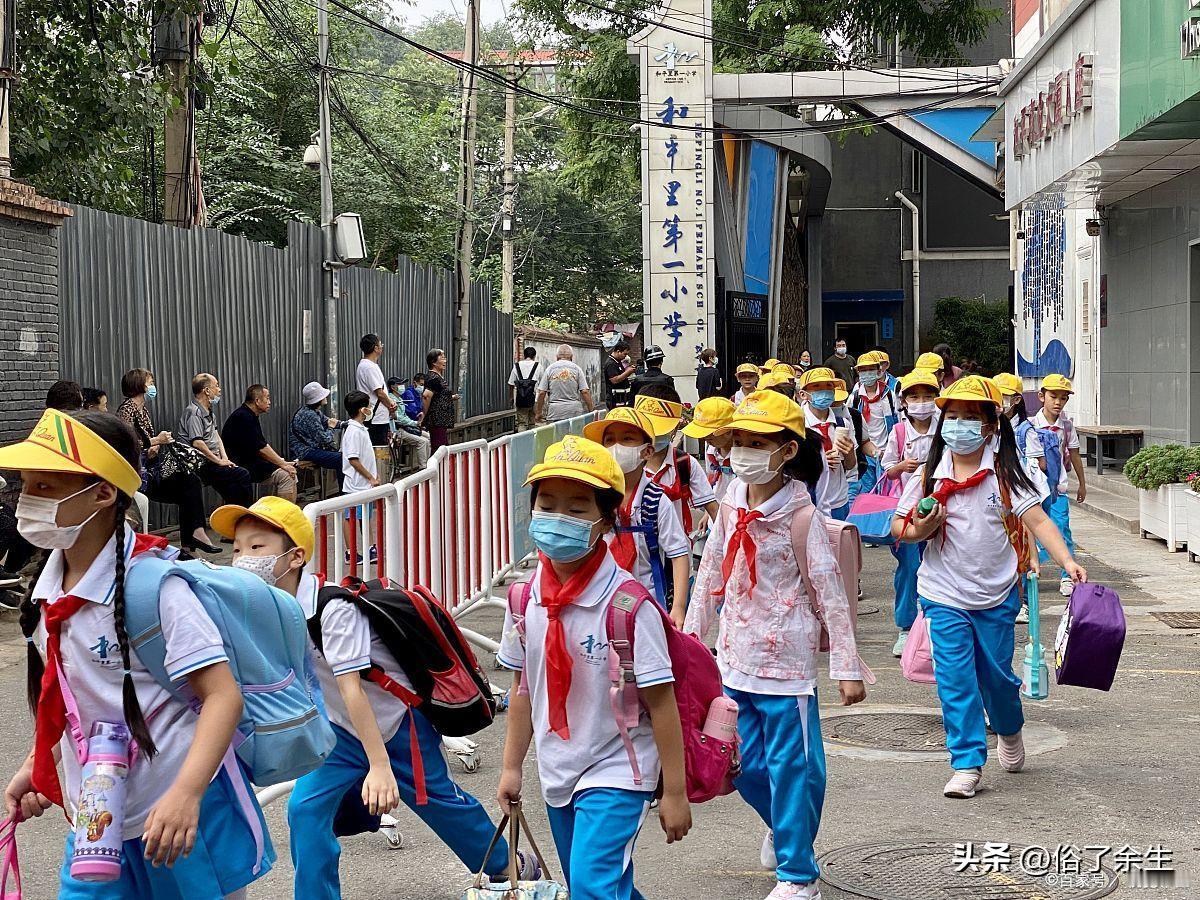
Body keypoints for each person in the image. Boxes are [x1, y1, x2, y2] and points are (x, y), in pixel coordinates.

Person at [0, 409, 273, 897]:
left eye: (45, 486)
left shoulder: (157, 590)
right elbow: (75, 698)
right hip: (97, 820)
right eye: (25, 485)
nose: (26, 500)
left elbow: (222, 696)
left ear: (102, 493)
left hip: (175, 818)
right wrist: (36, 764)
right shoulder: (45, 593)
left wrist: (186, 795)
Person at [206, 497, 531, 899]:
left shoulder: (333, 608)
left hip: (395, 723)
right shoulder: (262, 607)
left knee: (439, 803)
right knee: (305, 810)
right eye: (237, 549)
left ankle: (505, 865)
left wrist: (379, 766)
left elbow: (352, 689)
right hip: (340, 731)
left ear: (295, 557)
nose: (243, 559)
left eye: (257, 547)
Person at [685, 390, 866, 900]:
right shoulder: (728, 504)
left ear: (786, 451)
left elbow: (830, 592)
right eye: (738, 441)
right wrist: (691, 641)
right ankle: (787, 831)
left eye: (757, 442)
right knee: (740, 766)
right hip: (733, 659)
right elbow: (709, 576)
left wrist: (847, 666)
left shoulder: (802, 517)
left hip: (787, 666)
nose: (743, 452)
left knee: (793, 769)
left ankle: (798, 875)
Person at [497, 436, 691, 900]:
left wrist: (675, 792)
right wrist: (511, 767)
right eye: (547, 504)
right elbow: (524, 690)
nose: (558, 517)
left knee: (590, 885)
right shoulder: (524, 599)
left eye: (577, 508)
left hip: (619, 767)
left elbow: (661, 702)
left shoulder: (627, 605)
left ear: (607, 519)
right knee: (601, 884)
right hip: (558, 766)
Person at [892, 376, 1086, 799]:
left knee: (997, 681)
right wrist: (920, 528)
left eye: (970, 417)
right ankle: (966, 762)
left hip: (996, 597)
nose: (959, 425)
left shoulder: (1006, 473)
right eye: (953, 417)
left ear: (990, 426)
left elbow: (1038, 521)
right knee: (955, 681)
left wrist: (1067, 561)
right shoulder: (929, 474)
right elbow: (899, 525)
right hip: (942, 595)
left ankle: (1009, 729)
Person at [583, 409, 691, 619]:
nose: (616, 447)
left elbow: (678, 554)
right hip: (597, 601)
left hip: (645, 604)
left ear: (647, 451)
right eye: (609, 440)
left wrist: (678, 607)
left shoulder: (656, 501)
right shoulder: (594, 498)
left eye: (627, 439)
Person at [115, 368, 216, 555]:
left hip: (150, 468)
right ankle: (194, 537)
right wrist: (156, 441)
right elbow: (127, 443)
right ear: (140, 385)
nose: (153, 386)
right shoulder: (127, 409)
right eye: (150, 382)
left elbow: (144, 446)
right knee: (188, 485)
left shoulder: (143, 410)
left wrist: (153, 448)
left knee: (190, 483)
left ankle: (191, 543)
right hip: (139, 476)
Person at [880, 369, 940, 657]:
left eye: (928, 396)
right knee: (908, 567)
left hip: (939, 510)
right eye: (915, 397)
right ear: (904, 401)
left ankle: (932, 622)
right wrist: (902, 467)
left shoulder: (944, 429)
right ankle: (906, 627)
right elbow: (887, 470)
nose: (921, 402)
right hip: (904, 511)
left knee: (938, 565)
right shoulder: (899, 432)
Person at [994, 372, 1048, 625]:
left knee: (1023, 548)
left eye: (1005, 396)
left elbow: (1038, 464)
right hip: (998, 497)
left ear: (1016, 400)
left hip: (1019, 495)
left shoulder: (1026, 430)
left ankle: (1023, 602)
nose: (1000, 402)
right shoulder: (989, 426)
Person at [1027, 374, 1086, 598]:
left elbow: (1074, 455)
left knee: (1062, 529)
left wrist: (1082, 484)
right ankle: (1030, 569)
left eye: (1063, 398)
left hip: (1057, 489)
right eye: (1053, 396)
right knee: (1031, 532)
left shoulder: (1067, 427)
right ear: (1041, 396)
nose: (1058, 402)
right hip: (1034, 490)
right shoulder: (1029, 425)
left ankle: (1067, 575)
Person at [634, 389, 719, 536]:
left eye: (660, 430)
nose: (654, 436)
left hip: (678, 547)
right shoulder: (626, 465)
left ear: (675, 428)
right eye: (648, 429)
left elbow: (713, 509)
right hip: (636, 548)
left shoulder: (685, 463)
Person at [178, 373, 253, 507]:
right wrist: (218, 461)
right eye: (216, 386)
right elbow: (197, 443)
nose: (219, 390)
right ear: (207, 391)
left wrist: (224, 459)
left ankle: (236, 514)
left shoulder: (209, 411)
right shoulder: (194, 412)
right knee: (242, 475)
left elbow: (216, 436)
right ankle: (246, 514)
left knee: (233, 488)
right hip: (200, 464)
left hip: (213, 460)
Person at [220, 385, 298, 502]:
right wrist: (282, 464)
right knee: (287, 475)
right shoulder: (243, 417)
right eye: (267, 398)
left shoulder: (249, 414)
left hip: (251, 462)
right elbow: (261, 448)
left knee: (289, 470)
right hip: (240, 466)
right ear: (257, 401)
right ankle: (285, 513)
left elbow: (261, 444)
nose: (269, 402)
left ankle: (286, 511)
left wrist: (281, 462)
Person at [797, 368, 857, 519]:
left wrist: (849, 453)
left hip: (838, 500)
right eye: (816, 387)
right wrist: (819, 462)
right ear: (803, 394)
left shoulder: (843, 424)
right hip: (807, 500)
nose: (824, 391)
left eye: (829, 386)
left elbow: (850, 465)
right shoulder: (797, 426)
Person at [289, 381, 345, 491]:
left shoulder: (314, 412)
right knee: (341, 459)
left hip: (312, 449)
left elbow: (328, 421)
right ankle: (344, 492)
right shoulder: (309, 415)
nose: (326, 397)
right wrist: (331, 428)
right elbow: (325, 439)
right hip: (305, 452)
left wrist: (345, 424)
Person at [683, 397, 737, 502]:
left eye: (709, 436)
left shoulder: (743, 455)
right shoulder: (711, 450)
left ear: (728, 431)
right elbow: (711, 476)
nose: (705, 440)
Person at [849, 351, 900, 462]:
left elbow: (898, 421)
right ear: (858, 373)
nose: (867, 373)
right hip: (864, 453)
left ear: (878, 371)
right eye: (863, 370)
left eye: (871, 369)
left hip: (886, 451)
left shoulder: (889, 395)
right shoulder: (854, 398)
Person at [535, 344, 594, 424]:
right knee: (574, 432)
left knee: (556, 432)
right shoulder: (577, 369)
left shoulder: (550, 369)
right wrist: (591, 411)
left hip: (555, 412)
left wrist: (538, 413)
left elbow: (542, 392)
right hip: (574, 411)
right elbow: (585, 391)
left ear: (557, 356)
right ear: (571, 356)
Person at [356, 333, 397, 447]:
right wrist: (391, 406)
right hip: (376, 418)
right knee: (378, 450)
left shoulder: (368, 365)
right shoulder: (368, 367)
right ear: (376, 348)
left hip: (377, 416)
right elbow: (380, 393)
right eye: (380, 344)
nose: (382, 346)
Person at [385, 377, 431, 470]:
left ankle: (428, 464)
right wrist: (415, 423)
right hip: (398, 429)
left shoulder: (399, 398)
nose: (402, 386)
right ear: (393, 387)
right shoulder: (391, 400)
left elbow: (404, 416)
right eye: (399, 384)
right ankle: (423, 468)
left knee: (429, 437)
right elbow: (399, 418)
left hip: (406, 427)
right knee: (423, 442)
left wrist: (416, 423)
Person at [422, 348, 458, 453]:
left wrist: (451, 397)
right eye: (442, 358)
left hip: (441, 420)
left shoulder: (437, 377)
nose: (445, 361)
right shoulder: (434, 378)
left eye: (445, 358)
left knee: (441, 449)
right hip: (437, 420)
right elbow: (426, 396)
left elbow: (438, 396)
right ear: (433, 362)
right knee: (439, 450)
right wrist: (424, 414)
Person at [508, 346, 541, 431]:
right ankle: (532, 438)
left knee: (521, 423)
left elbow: (511, 383)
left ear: (524, 355)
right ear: (534, 356)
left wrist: (511, 397)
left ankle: (521, 438)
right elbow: (542, 384)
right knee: (532, 423)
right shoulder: (538, 366)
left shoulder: (517, 366)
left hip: (521, 399)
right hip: (534, 399)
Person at [602, 340, 637, 408]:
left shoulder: (618, 361)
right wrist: (628, 372)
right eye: (624, 354)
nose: (625, 357)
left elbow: (620, 374)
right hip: (615, 400)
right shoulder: (611, 363)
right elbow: (614, 380)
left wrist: (628, 370)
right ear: (618, 351)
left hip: (621, 398)